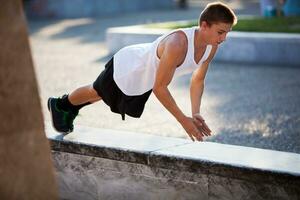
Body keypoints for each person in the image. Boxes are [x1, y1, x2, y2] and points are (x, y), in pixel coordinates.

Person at [48, 2, 237, 141]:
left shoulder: (212, 46)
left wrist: (195, 113)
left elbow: (197, 80)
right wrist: (183, 120)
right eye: (221, 32)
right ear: (204, 25)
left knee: (100, 96)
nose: (224, 38)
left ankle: (69, 107)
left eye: (227, 32)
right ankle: (60, 104)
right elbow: (160, 87)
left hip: (144, 77)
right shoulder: (178, 44)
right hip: (130, 66)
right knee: (96, 92)